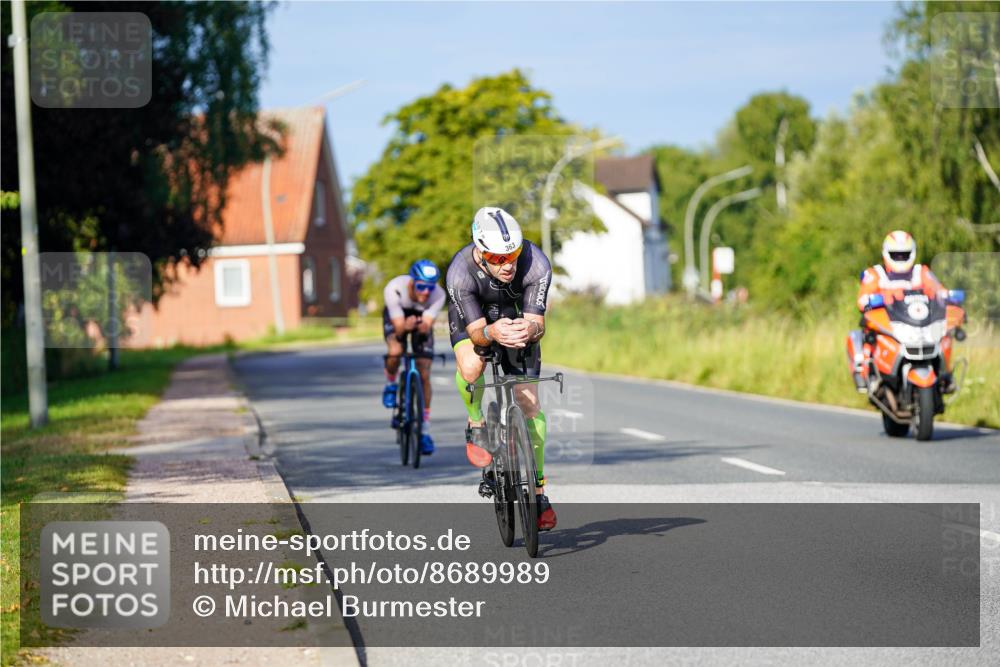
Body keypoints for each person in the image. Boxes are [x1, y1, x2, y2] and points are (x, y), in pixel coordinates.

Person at [445, 206, 557, 531]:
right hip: (475, 319)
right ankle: (476, 420)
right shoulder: (460, 272)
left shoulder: (536, 263)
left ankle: (538, 491)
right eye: (496, 258)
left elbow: (538, 323)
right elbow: (478, 332)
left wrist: (529, 330)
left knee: (529, 403)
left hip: (516, 317)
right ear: (479, 252)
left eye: (513, 254)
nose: (507, 265)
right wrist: (492, 333)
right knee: (470, 367)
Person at [854, 230, 954, 389]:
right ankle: (867, 372)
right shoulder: (875, 274)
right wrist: (873, 300)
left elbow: (938, 290)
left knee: (946, 333)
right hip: (890, 326)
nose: (900, 258)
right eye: (896, 254)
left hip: (919, 324)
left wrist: (948, 296)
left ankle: (945, 375)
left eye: (904, 254)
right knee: (866, 333)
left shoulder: (921, 272)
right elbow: (862, 298)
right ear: (886, 254)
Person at [382, 259, 446, 455]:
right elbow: (399, 328)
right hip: (398, 317)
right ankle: (391, 384)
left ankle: (424, 431)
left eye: (429, 287)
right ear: (411, 282)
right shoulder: (394, 288)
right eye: (421, 286)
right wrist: (404, 327)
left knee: (424, 371)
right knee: (395, 352)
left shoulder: (438, 294)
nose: (425, 292)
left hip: (420, 321)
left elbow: (426, 325)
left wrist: (420, 325)